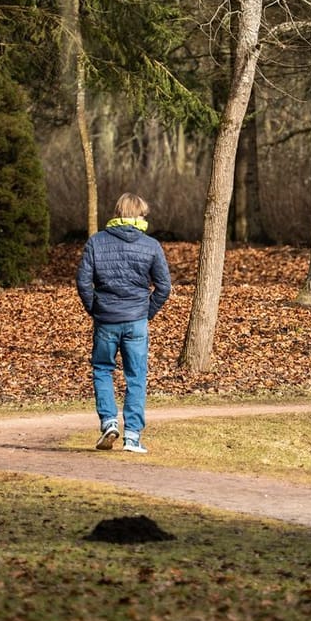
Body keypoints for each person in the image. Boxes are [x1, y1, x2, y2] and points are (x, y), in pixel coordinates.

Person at [75, 192, 172, 453]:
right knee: (136, 377)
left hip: (106, 318)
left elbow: (83, 281)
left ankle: (108, 422)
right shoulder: (151, 245)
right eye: (143, 213)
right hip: (136, 321)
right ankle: (132, 436)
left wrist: (95, 308)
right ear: (138, 214)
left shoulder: (96, 242)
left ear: (118, 212)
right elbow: (164, 286)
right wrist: (146, 312)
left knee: (103, 370)